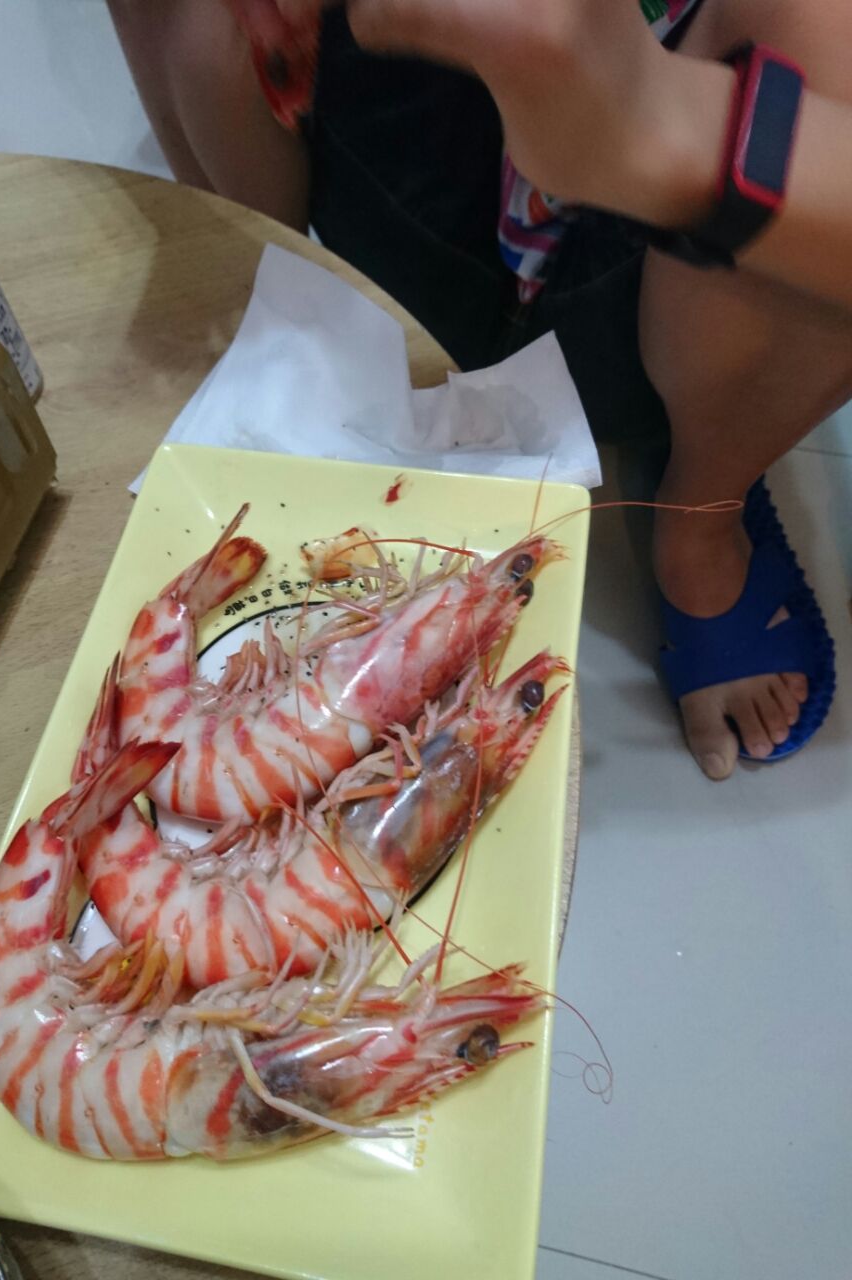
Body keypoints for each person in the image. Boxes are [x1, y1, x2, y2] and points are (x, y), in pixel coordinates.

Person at [106, 0, 852, 780]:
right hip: (389, 174)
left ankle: (700, 515)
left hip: (683, 262)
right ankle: (262, 321)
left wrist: (665, 127)